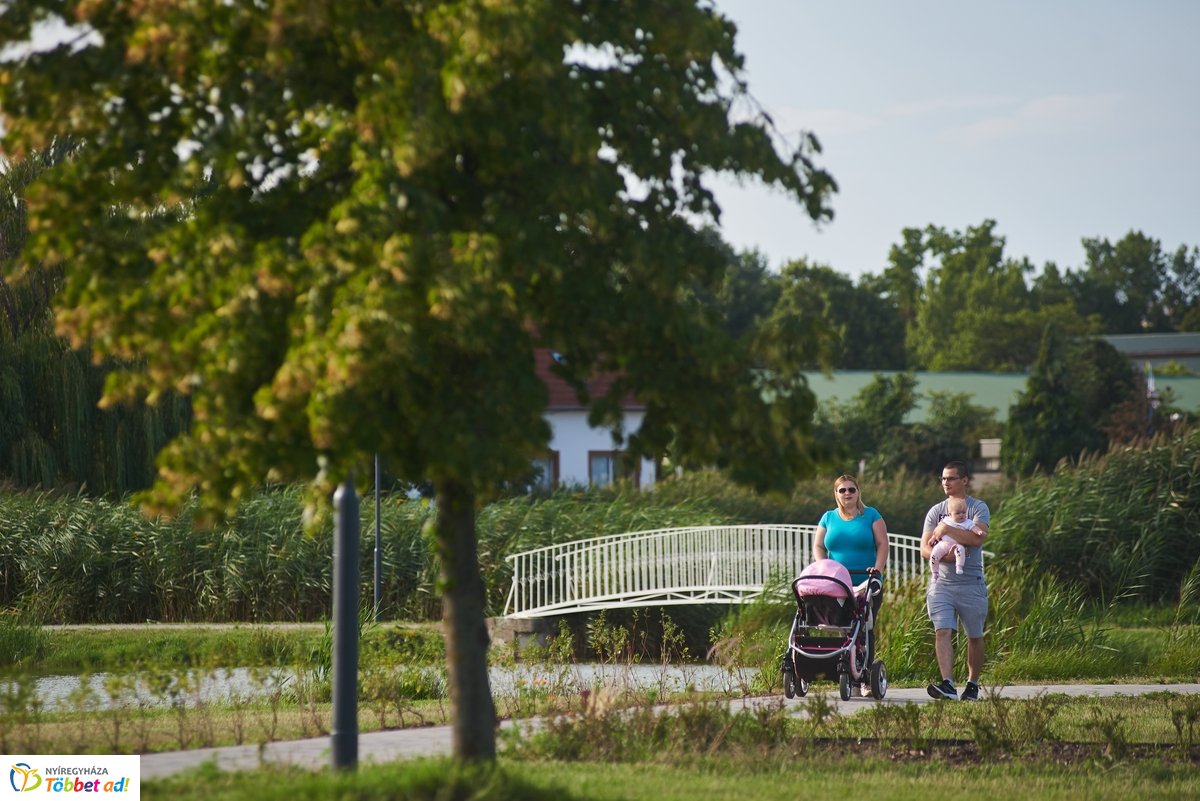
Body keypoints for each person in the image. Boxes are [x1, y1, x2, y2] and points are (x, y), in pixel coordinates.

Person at [813, 474, 889, 697]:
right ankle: (847, 672)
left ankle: (865, 677)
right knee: (843, 628)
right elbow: (818, 546)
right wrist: (824, 567)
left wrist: (878, 570)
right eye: (842, 490)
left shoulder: (871, 515)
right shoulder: (828, 518)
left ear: (858, 492)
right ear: (836, 494)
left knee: (864, 628)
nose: (847, 494)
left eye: (851, 490)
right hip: (837, 583)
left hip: (866, 582)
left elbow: (882, 543)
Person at [921, 461, 990, 702]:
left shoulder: (977, 507)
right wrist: (942, 554)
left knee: (974, 635)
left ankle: (972, 684)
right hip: (942, 584)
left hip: (971, 582)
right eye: (943, 479)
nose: (945, 483)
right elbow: (924, 548)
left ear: (964, 480)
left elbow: (977, 539)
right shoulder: (935, 511)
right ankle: (948, 683)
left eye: (950, 478)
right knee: (942, 630)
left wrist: (944, 531)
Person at [928, 497, 982, 579]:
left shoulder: (967, 522)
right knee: (934, 554)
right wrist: (933, 538)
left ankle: (959, 566)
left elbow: (974, 528)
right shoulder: (946, 520)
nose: (961, 515)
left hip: (957, 544)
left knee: (961, 551)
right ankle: (935, 572)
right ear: (950, 514)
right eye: (958, 513)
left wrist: (979, 532)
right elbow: (937, 531)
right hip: (944, 544)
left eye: (964, 512)